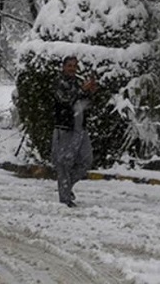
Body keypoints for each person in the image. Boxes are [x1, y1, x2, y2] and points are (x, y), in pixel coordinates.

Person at [52, 56, 98, 208]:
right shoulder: (59, 82)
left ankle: (66, 187)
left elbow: (86, 103)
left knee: (86, 160)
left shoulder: (78, 81)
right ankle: (65, 199)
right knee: (64, 163)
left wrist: (91, 92)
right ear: (63, 67)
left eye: (74, 66)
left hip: (80, 127)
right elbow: (65, 100)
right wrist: (81, 90)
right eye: (69, 66)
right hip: (65, 127)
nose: (72, 68)